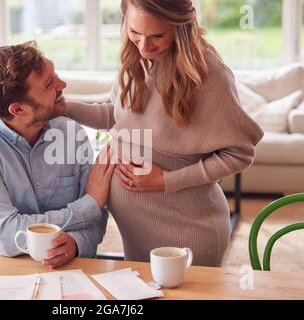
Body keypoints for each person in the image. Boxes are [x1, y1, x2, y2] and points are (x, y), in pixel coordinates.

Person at [57, 0, 264, 266]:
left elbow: (240, 154)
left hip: (188, 228)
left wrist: (167, 180)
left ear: (181, 27)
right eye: (135, 33)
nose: (144, 45)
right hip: (136, 230)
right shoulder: (137, 60)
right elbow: (119, 116)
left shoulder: (209, 73)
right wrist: (67, 108)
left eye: (157, 36)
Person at [0, 42, 114, 269]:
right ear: (19, 109)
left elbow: (97, 214)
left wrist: (76, 242)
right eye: (48, 84)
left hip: (63, 273)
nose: (62, 84)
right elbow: (7, 236)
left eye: (55, 74)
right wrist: (89, 205)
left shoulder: (70, 133)